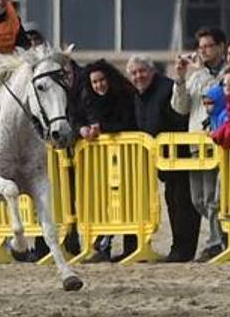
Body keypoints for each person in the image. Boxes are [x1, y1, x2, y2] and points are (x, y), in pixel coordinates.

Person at [127, 54, 199, 262]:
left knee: (183, 202)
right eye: (134, 73)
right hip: (161, 158)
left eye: (142, 71)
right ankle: (178, 248)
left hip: (181, 154)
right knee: (172, 201)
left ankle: (183, 250)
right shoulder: (137, 94)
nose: (138, 76)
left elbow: (179, 116)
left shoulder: (167, 88)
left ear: (152, 72)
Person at [171, 26, 227, 260]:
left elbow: (223, 97)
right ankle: (222, 236)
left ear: (221, 47)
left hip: (221, 142)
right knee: (199, 199)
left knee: (216, 197)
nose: (204, 51)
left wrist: (202, 73)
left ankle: (215, 242)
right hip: (197, 143)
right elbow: (180, 107)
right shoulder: (195, 75)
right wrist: (181, 79)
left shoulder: (229, 73)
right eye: (201, 47)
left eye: (209, 46)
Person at [79, 60, 137, 261]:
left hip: (126, 157)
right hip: (100, 161)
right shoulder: (87, 99)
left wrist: (102, 128)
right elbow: (77, 117)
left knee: (128, 202)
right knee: (103, 202)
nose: (99, 85)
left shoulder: (124, 96)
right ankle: (102, 246)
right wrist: (83, 129)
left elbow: (127, 122)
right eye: (94, 82)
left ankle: (132, 247)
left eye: (102, 80)